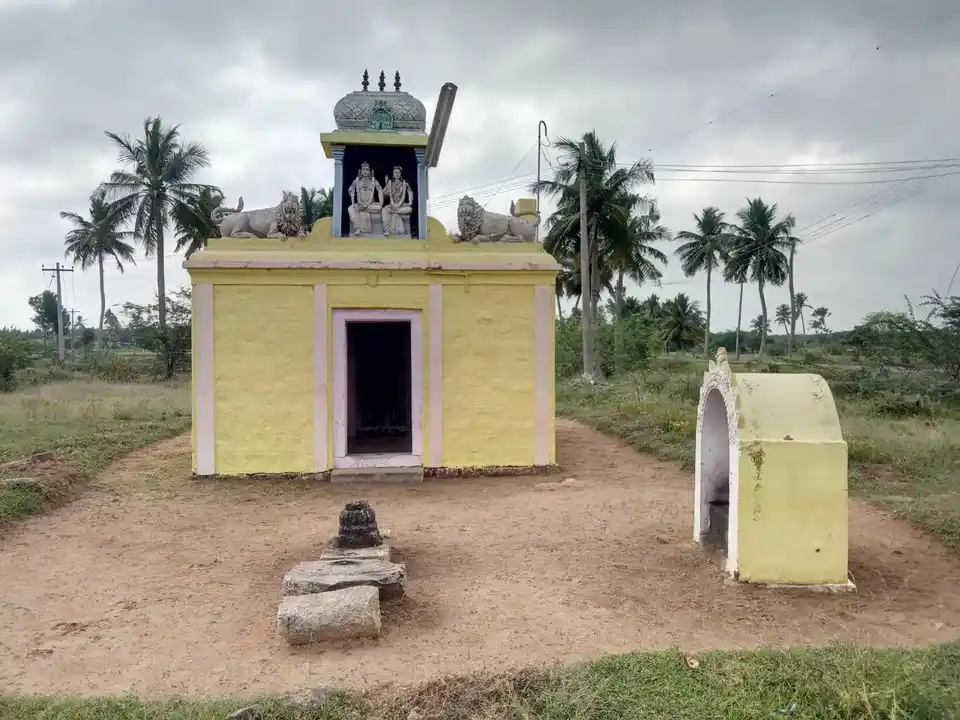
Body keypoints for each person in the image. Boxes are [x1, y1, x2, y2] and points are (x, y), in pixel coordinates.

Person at [346, 162, 383, 236]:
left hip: (370, 205)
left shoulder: (374, 181)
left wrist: (381, 202)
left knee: (379, 207)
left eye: (367, 170)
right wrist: (353, 203)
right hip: (360, 204)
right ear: (361, 171)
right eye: (363, 170)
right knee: (350, 208)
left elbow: (380, 190)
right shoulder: (356, 181)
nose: (365, 171)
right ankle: (358, 228)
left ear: (369, 171)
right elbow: (351, 191)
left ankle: (362, 209)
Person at [381, 166, 414, 237]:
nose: (397, 174)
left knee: (409, 209)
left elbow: (410, 192)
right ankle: (387, 230)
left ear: (401, 174)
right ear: (393, 174)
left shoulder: (404, 183)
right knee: (384, 210)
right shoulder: (389, 183)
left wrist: (410, 202)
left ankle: (394, 212)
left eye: (398, 172)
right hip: (391, 205)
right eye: (395, 172)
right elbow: (384, 195)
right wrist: (385, 189)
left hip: (401, 206)